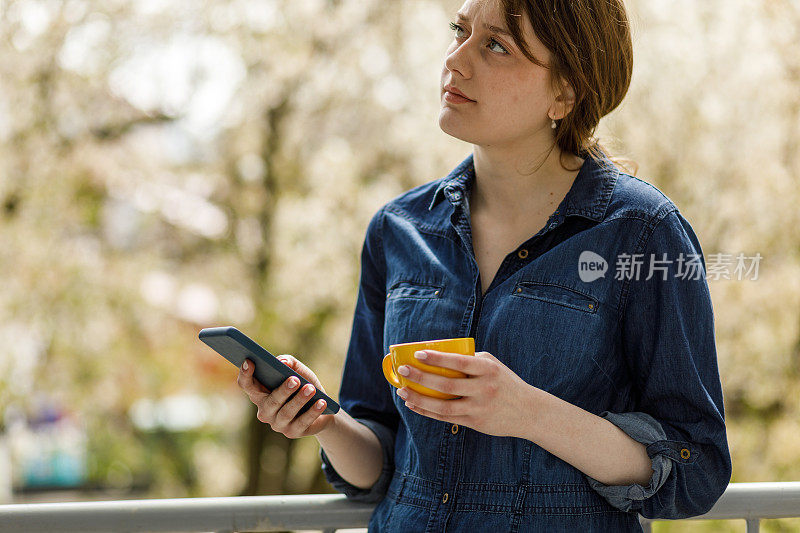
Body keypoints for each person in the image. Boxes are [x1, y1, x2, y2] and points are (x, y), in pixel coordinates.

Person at [236, 0, 733, 530]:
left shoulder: (643, 232)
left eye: (496, 46)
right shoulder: (397, 229)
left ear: (564, 93)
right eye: (460, 31)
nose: (456, 59)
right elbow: (381, 465)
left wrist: (527, 412)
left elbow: (694, 469)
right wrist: (322, 422)